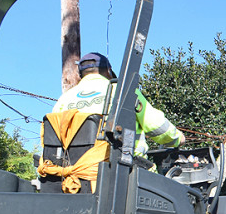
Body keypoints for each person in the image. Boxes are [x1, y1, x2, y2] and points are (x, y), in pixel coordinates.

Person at [51, 52, 184, 159]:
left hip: (74, 174)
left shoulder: (63, 100)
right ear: (108, 71)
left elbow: (52, 138)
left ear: (80, 76)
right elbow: (156, 125)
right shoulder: (121, 91)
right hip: (124, 172)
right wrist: (177, 138)